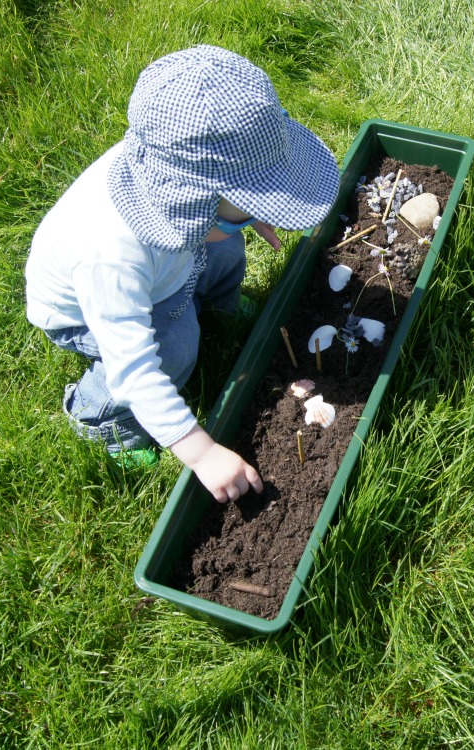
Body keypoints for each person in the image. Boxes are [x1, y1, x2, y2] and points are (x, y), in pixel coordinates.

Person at [25, 44, 340, 503]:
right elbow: (134, 368)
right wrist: (201, 452)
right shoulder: (109, 257)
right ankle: (101, 418)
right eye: (247, 207)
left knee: (226, 247)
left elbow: (220, 220)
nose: (254, 217)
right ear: (192, 203)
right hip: (87, 312)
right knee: (175, 348)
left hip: (168, 265)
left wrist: (248, 215)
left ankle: (219, 304)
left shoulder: (173, 165)